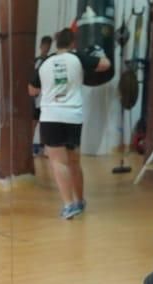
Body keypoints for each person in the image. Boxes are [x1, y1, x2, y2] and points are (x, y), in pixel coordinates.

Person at [30, 29, 109, 219]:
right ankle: (80, 201)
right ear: (73, 42)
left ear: (57, 43)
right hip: (73, 116)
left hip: (51, 116)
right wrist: (100, 53)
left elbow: (32, 90)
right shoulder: (78, 57)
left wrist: (49, 86)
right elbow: (105, 65)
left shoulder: (44, 62)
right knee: (74, 161)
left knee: (58, 162)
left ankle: (68, 205)